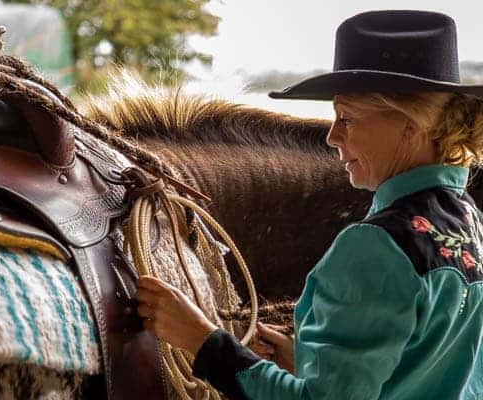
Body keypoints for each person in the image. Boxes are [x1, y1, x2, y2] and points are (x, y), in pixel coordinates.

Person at [135, 10, 483, 399]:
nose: (332, 137)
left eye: (347, 118)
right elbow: (424, 368)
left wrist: (201, 339)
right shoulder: (469, 222)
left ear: (411, 124)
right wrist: (308, 360)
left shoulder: (374, 245)